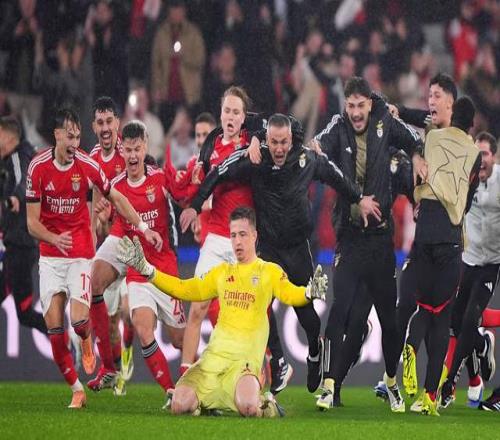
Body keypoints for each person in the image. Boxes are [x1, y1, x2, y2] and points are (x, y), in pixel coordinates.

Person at [182, 113, 381, 395]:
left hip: (298, 248)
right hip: (268, 248)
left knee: (308, 317)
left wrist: (359, 199)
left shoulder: (306, 159)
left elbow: (336, 177)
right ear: (266, 139)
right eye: (273, 142)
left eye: (283, 142)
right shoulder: (255, 158)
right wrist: (195, 204)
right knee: (259, 306)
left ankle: (314, 350)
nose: (278, 148)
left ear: (291, 140)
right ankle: (278, 360)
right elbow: (219, 172)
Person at [116, 206, 329, 417]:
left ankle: (268, 405)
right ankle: (206, 403)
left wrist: (308, 293)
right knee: (179, 405)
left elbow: (289, 293)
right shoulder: (221, 273)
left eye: (243, 234)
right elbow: (183, 288)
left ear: (255, 236)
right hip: (213, 360)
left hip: (244, 364)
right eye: (233, 235)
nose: (237, 241)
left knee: (249, 407)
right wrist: (148, 271)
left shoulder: (269, 271)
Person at [25, 108, 161, 408]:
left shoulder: (87, 166)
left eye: (78, 137)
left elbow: (117, 198)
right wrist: (53, 238)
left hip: (80, 255)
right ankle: (77, 389)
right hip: (50, 257)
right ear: (57, 135)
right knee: (54, 329)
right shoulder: (37, 167)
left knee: (79, 321)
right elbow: (31, 223)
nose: (75, 142)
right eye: (70, 136)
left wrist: (143, 227)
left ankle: (88, 341)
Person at [312, 76, 423, 412]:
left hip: (380, 240)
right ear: (345, 105)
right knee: (340, 310)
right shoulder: (338, 126)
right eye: (351, 106)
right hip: (349, 238)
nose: (356, 112)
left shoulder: (386, 126)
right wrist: (315, 149)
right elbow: (318, 145)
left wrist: (418, 155)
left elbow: (415, 140)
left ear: (370, 104)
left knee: (389, 319)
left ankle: (390, 382)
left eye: (361, 105)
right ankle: (329, 385)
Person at [97, 120, 185, 406]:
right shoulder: (116, 188)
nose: (133, 155)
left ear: (145, 147)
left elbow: (183, 196)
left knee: (180, 341)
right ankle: (170, 391)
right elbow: (112, 228)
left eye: (137, 149)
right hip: (138, 270)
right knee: (143, 328)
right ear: (121, 150)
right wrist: (101, 219)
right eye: (128, 150)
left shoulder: (160, 179)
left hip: (165, 268)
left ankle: (202, 383)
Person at [406, 96, 481, 416]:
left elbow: (415, 159)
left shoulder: (433, 137)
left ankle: (410, 349)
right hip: (450, 235)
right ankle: (429, 397)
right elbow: (469, 197)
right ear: (471, 125)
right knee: (442, 315)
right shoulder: (475, 153)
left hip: (425, 228)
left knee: (423, 308)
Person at [174, 86, 254, 379]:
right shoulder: (211, 147)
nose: (230, 117)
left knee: (247, 317)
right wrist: (193, 202)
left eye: (236, 112)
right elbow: (197, 187)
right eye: (226, 111)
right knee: (198, 307)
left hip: (244, 238)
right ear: (221, 114)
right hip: (217, 235)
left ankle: (257, 379)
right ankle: (185, 378)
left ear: (244, 117)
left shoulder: (252, 142)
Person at [439, 131, 499, 409]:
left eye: (484, 154)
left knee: (469, 319)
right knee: (455, 319)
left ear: (494, 157)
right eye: (477, 154)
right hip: (468, 259)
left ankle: (450, 382)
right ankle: (482, 345)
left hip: (492, 263)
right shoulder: (463, 177)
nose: (480, 159)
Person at [88, 96, 127, 392]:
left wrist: (111, 215)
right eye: (100, 122)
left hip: (133, 242)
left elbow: (131, 203)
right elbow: (95, 211)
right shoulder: (92, 159)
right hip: (111, 243)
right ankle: (114, 370)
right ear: (94, 126)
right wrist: (96, 230)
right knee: (111, 320)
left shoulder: (129, 154)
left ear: (117, 123)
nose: (105, 127)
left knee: (129, 314)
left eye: (109, 121)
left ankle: (128, 350)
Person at [0, 116, 45, 334]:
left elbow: (23, 181)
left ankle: (62, 337)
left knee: (25, 313)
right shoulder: (10, 161)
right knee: (24, 313)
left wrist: (15, 198)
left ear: (9, 137)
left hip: (22, 246)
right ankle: (61, 337)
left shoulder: (18, 157)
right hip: (17, 245)